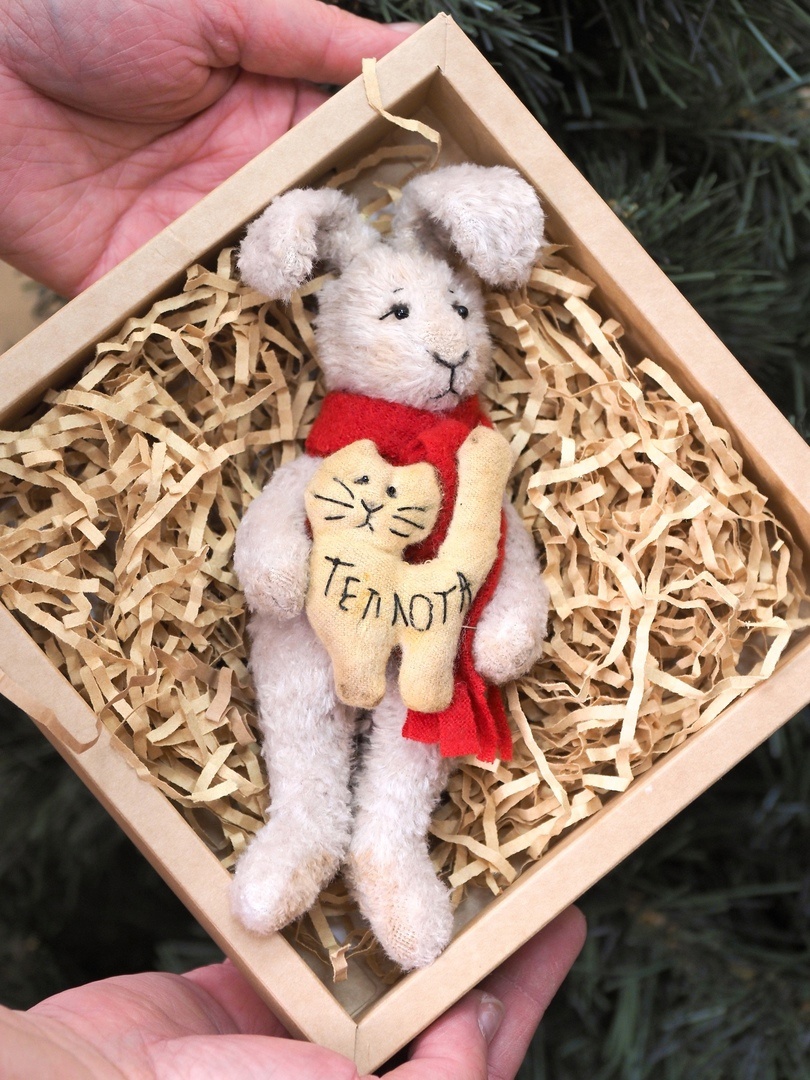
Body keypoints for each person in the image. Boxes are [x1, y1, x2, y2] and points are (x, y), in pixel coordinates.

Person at [0, 3, 586, 1075]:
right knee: (300, 688)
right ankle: (305, 824)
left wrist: (509, 617)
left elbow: (507, 549)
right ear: (343, 323)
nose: (446, 343)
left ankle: (389, 848)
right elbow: (283, 524)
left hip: (425, 634)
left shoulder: (474, 464)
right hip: (318, 621)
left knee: (422, 719)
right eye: (402, 317)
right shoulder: (331, 455)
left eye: (458, 314)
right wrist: (275, 559)